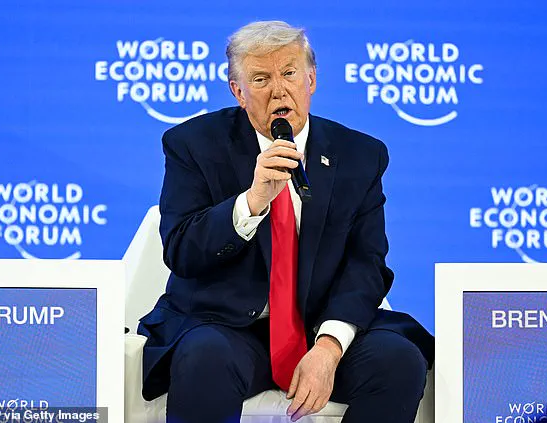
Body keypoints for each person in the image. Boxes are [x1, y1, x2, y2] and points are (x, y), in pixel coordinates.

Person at [138, 20, 434, 423]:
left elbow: (366, 263)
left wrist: (329, 347)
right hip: (226, 327)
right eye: (261, 79)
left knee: (399, 361)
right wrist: (252, 201)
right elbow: (181, 250)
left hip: (318, 327)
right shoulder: (193, 144)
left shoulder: (360, 155)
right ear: (238, 92)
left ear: (311, 80)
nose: (279, 90)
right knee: (205, 356)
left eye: (290, 73)